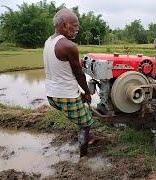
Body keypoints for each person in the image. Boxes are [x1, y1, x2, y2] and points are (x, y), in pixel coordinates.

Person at [43, 8, 93, 157]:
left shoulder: (49, 41)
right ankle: (83, 158)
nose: (78, 28)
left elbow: (62, 65)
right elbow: (79, 74)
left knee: (85, 110)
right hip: (65, 95)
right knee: (86, 123)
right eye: (75, 25)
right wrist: (87, 92)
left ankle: (88, 139)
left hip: (52, 94)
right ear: (65, 25)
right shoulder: (69, 46)